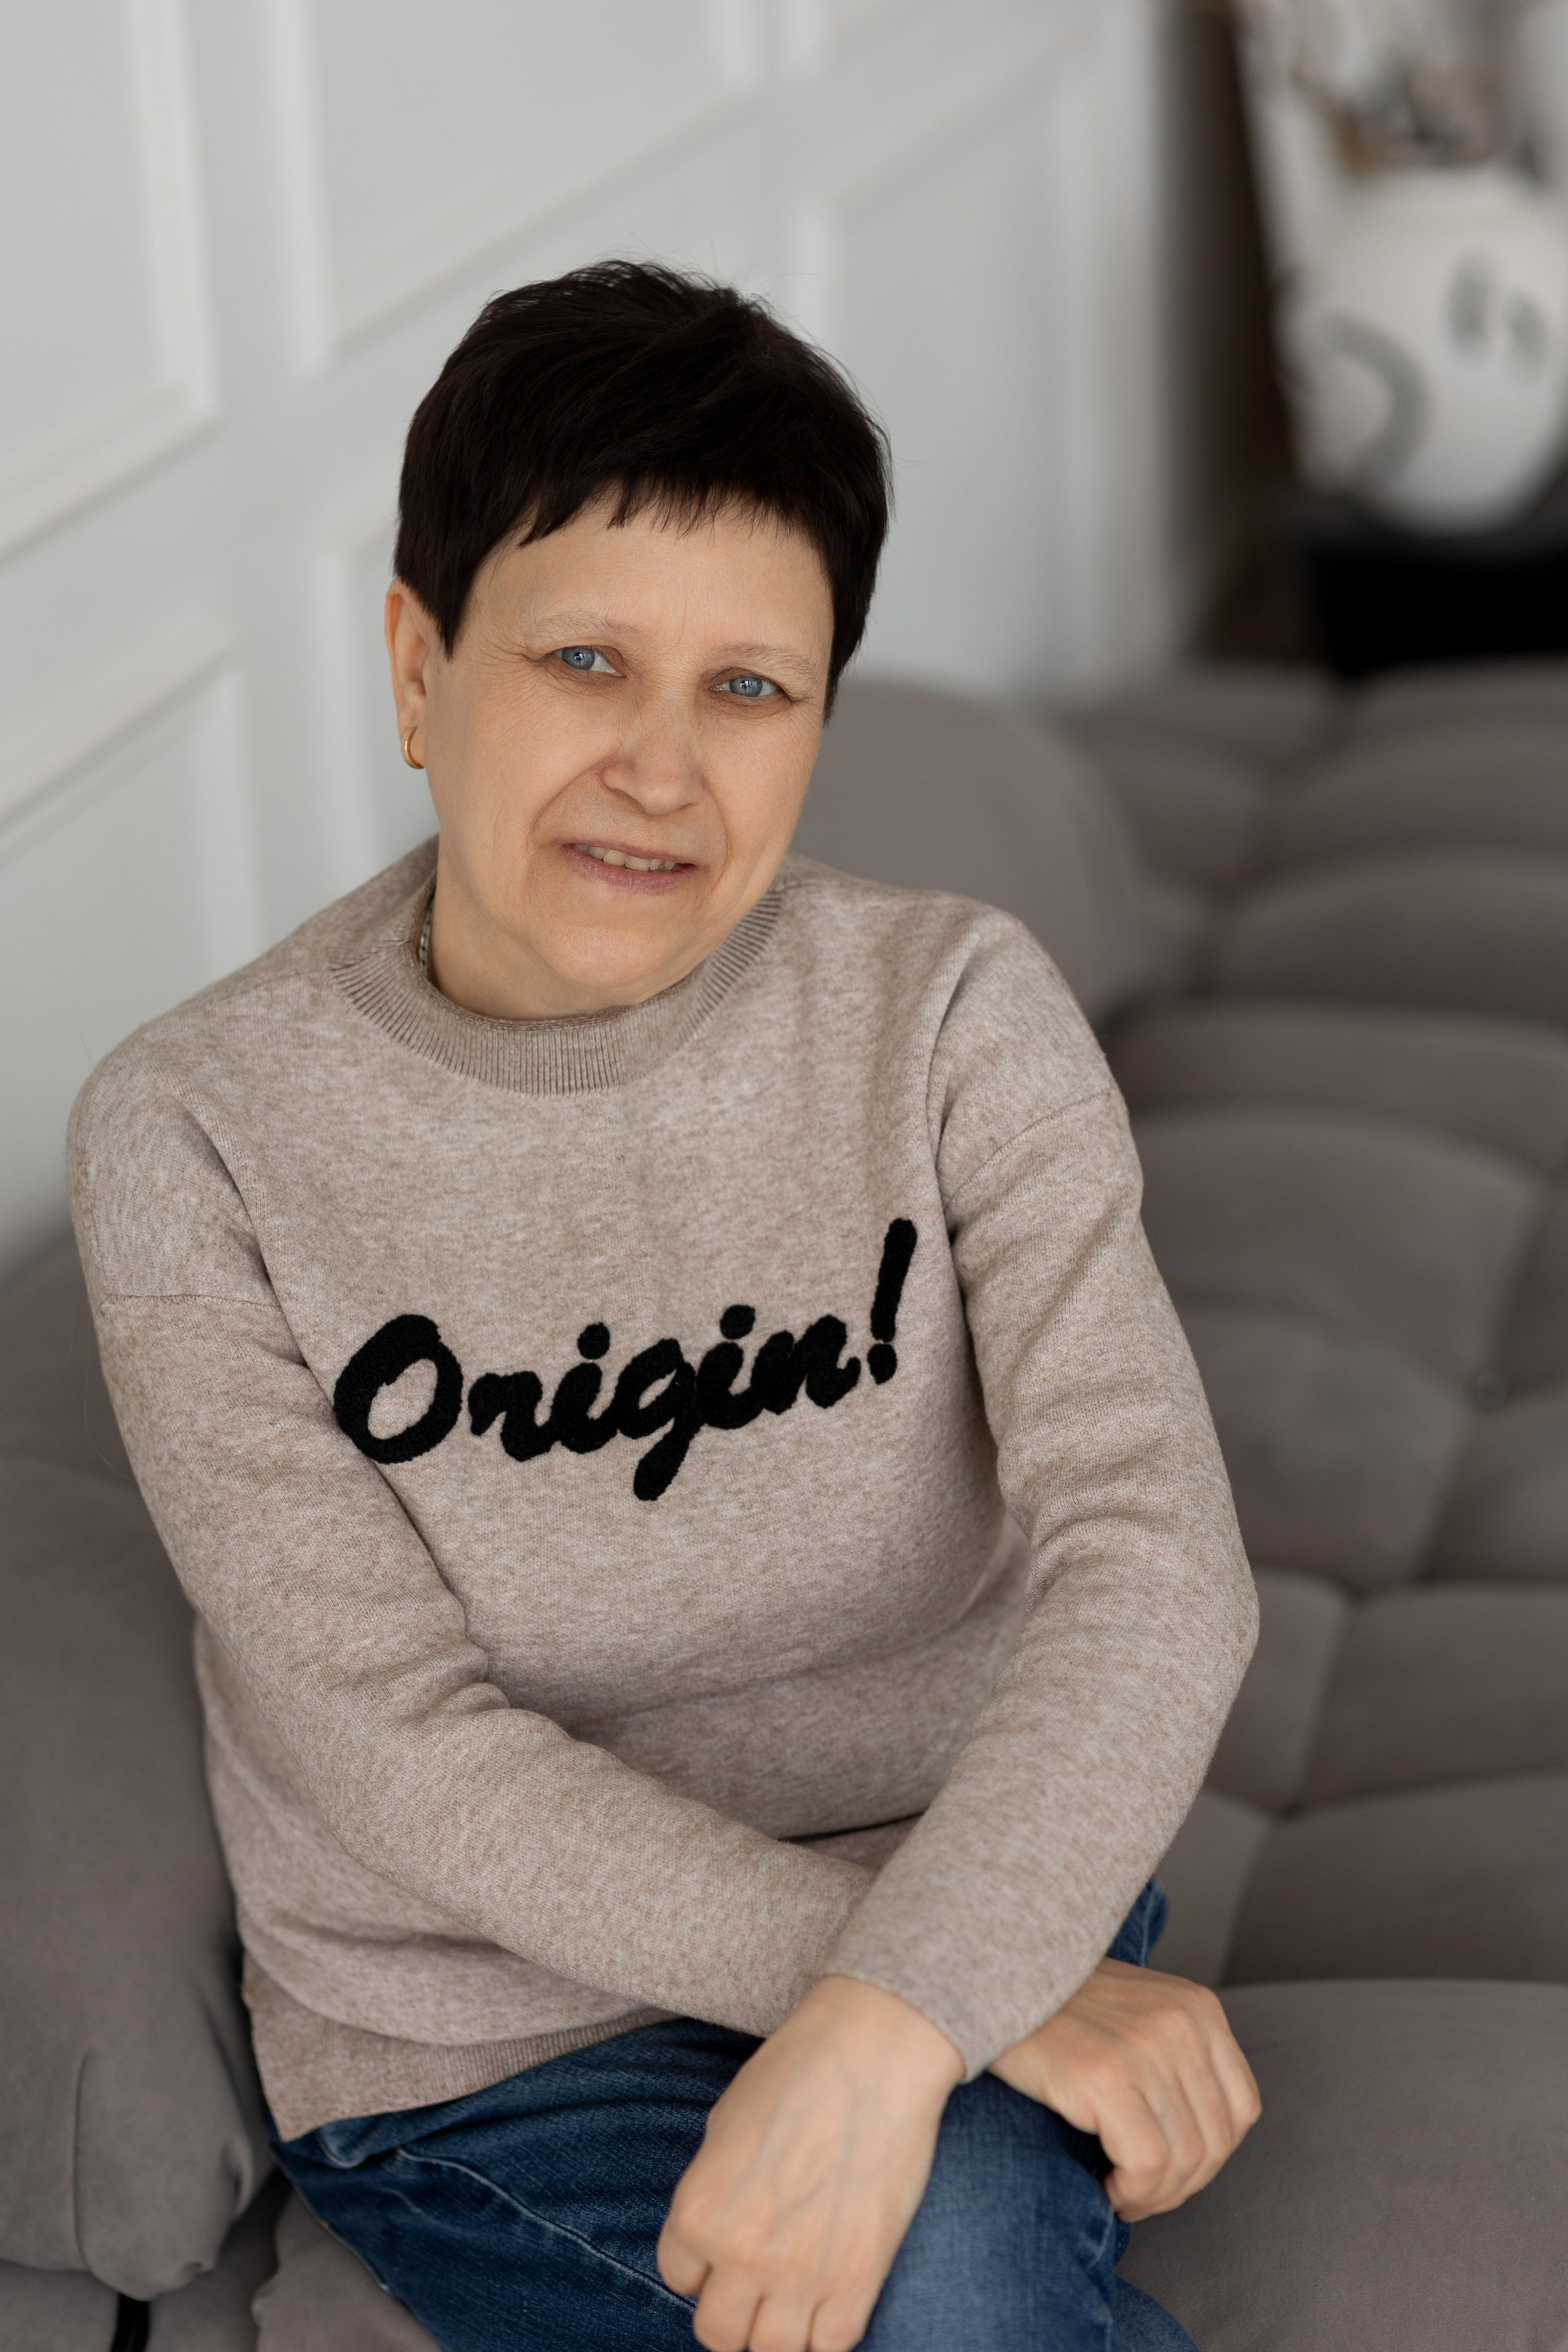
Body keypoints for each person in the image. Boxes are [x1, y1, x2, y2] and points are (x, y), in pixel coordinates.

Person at [69, 262, 1261, 2352]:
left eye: (749, 688)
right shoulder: (194, 1133)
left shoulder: (951, 1012)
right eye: (585, 660)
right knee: (949, 2282)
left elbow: (1158, 1562)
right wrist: (935, 2000)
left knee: (953, 2244)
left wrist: (906, 2006)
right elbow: (400, 1753)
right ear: (421, 668)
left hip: (970, 1888)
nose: (661, 767)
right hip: (489, 2045)